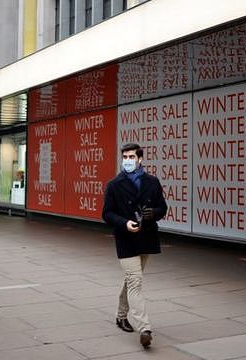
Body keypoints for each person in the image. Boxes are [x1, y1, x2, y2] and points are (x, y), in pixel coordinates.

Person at [102, 143, 167, 349]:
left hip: (146, 238)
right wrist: (124, 223)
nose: (127, 160)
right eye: (124, 157)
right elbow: (107, 213)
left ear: (140, 159)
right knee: (135, 281)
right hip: (125, 238)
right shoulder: (114, 184)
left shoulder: (153, 182)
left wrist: (153, 213)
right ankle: (145, 328)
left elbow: (163, 208)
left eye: (131, 157)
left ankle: (121, 316)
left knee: (131, 280)